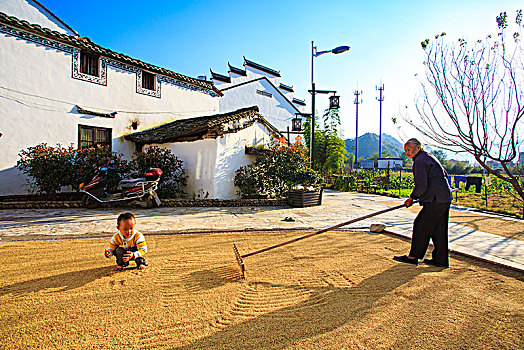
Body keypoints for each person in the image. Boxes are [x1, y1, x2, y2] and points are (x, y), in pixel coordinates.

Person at [393, 138, 452, 268]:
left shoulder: (420, 161)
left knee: (421, 225)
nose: (407, 153)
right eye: (405, 150)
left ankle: (413, 256)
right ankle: (440, 260)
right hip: (444, 198)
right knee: (438, 230)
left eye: (409, 149)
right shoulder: (429, 157)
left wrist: (412, 197)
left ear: (418, 147)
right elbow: (444, 176)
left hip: (435, 199)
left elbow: (421, 185)